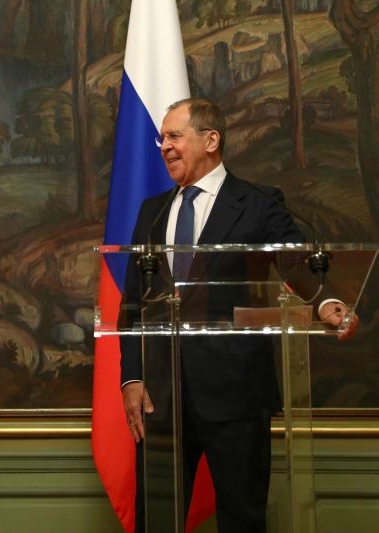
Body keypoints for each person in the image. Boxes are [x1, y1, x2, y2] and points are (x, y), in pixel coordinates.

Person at [118, 97, 359, 532]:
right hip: (162, 397)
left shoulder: (259, 203)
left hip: (235, 393)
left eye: (174, 136)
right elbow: (133, 299)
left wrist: (325, 303)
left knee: (242, 521)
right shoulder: (151, 212)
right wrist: (132, 376)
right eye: (162, 138)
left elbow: (294, 264)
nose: (164, 146)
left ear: (211, 140)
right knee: (155, 520)